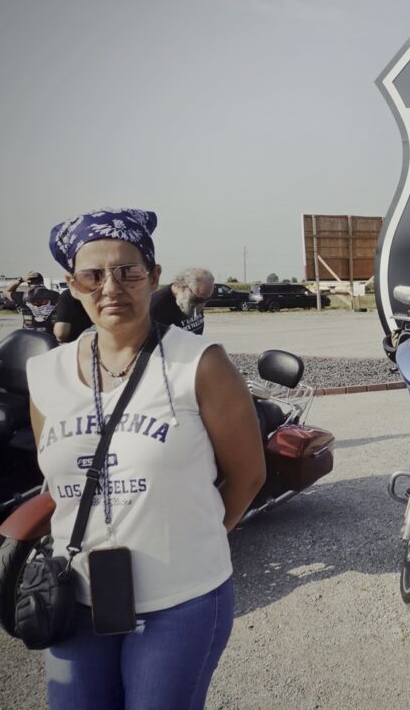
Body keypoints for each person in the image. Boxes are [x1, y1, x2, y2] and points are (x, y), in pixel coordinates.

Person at [28, 208, 265, 709]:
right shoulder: (44, 375)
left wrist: (195, 542)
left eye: (127, 271)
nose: (111, 287)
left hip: (181, 600)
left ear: (153, 277)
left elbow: (248, 475)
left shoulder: (199, 363)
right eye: (92, 275)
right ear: (72, 285)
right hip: (78, 595)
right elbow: (55, 482)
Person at [150, 267, 215, 335]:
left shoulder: (197, 298)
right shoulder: (156, 307)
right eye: (198, 299)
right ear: (183, 287)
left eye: (206, 300)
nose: (201, 304)